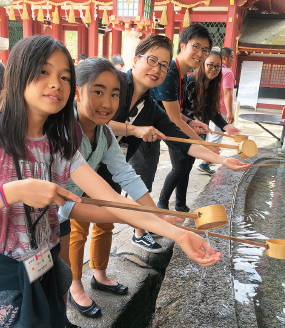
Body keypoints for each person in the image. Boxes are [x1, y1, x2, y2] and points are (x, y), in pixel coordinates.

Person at [0, 35, 230, 327]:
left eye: (64, 76)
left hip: (44, 263)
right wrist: (12, 192)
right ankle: (79, 287)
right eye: (44, 72)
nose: (56, 83)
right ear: (19, 73)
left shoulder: (60, 145)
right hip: (6, 278)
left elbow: (114, 196)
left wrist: (177, 234)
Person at [59, 57, 184, 318]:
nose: (107, 103)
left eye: (114, 94)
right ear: (77, 92)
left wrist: (157, 216)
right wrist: (154, 220)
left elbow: (127, 175)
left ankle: (79, 291)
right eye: (98, 92)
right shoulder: (62, 130)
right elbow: (69, 201)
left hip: (62, 212)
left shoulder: (103, 133)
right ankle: (74, 287)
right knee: (51, 276)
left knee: (56, 279)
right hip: (47, 214)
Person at [106, 35, 250, 242]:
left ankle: (99, 273)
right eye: (152, 60)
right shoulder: (113, 84)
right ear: (136, 60)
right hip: (81, 158)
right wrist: (135, 130)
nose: (157, 69)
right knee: (77, 220)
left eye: (164, 66)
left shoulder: (151, 107)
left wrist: (222, 160)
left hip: (114, 161)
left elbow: (180, 138)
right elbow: (91, 121)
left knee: (107, 218)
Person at [183, 49, 240, 176]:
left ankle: (181, 197)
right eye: (210, 65)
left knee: (186, 168)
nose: (214, 69)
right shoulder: (191, 81)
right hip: (184, 131)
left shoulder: (213, 85)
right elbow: (180, 110)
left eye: (217, 66)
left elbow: (212, 112)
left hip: (200, 131)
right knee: (179, 169)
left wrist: (226, 126)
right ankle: (165, 197)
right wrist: (192, 123)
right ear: (203, 63)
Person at [207, 47, 235, 144]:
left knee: (210, 137)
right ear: (224, 58)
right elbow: (227, 93)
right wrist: (230, 112)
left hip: (211, 109)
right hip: (220, 109)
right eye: (232, 57)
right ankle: (207, 159)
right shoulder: (227, 73)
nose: (233, 60)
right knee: (215, 140)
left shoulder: (215, 71)